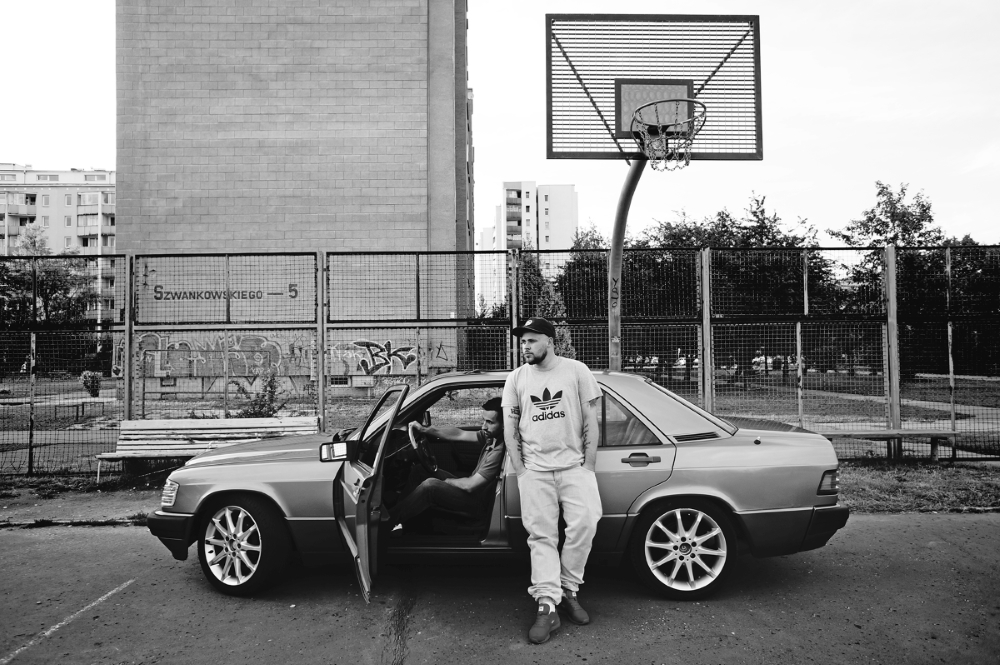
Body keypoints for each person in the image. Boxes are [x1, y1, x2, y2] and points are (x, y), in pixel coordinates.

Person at [502, 317, 603, 645]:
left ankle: (568, 589)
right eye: (523, 341)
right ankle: (547, 605)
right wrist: (522, 470)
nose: (525, 346)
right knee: (541, 536)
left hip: (574, 467)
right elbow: (509, 427)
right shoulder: (516, 378)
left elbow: (590, 419)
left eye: (531, 340)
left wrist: (588, 465)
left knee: (585, 523)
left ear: (549, 341)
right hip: (535, 471)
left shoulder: (576, 371)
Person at [387, 397, 505, 526]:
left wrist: (448, 482)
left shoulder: (499, 450)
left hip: (478, 503)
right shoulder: (491, 437)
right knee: (419, 471)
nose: (484, 426)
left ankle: (386, 524)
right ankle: (400, 518)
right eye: (484, 421)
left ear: (505, 425)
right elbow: (459, 434)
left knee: (430, 486)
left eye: (490, 422)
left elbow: (470, 485)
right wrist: (425, 430)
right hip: (474, 494)